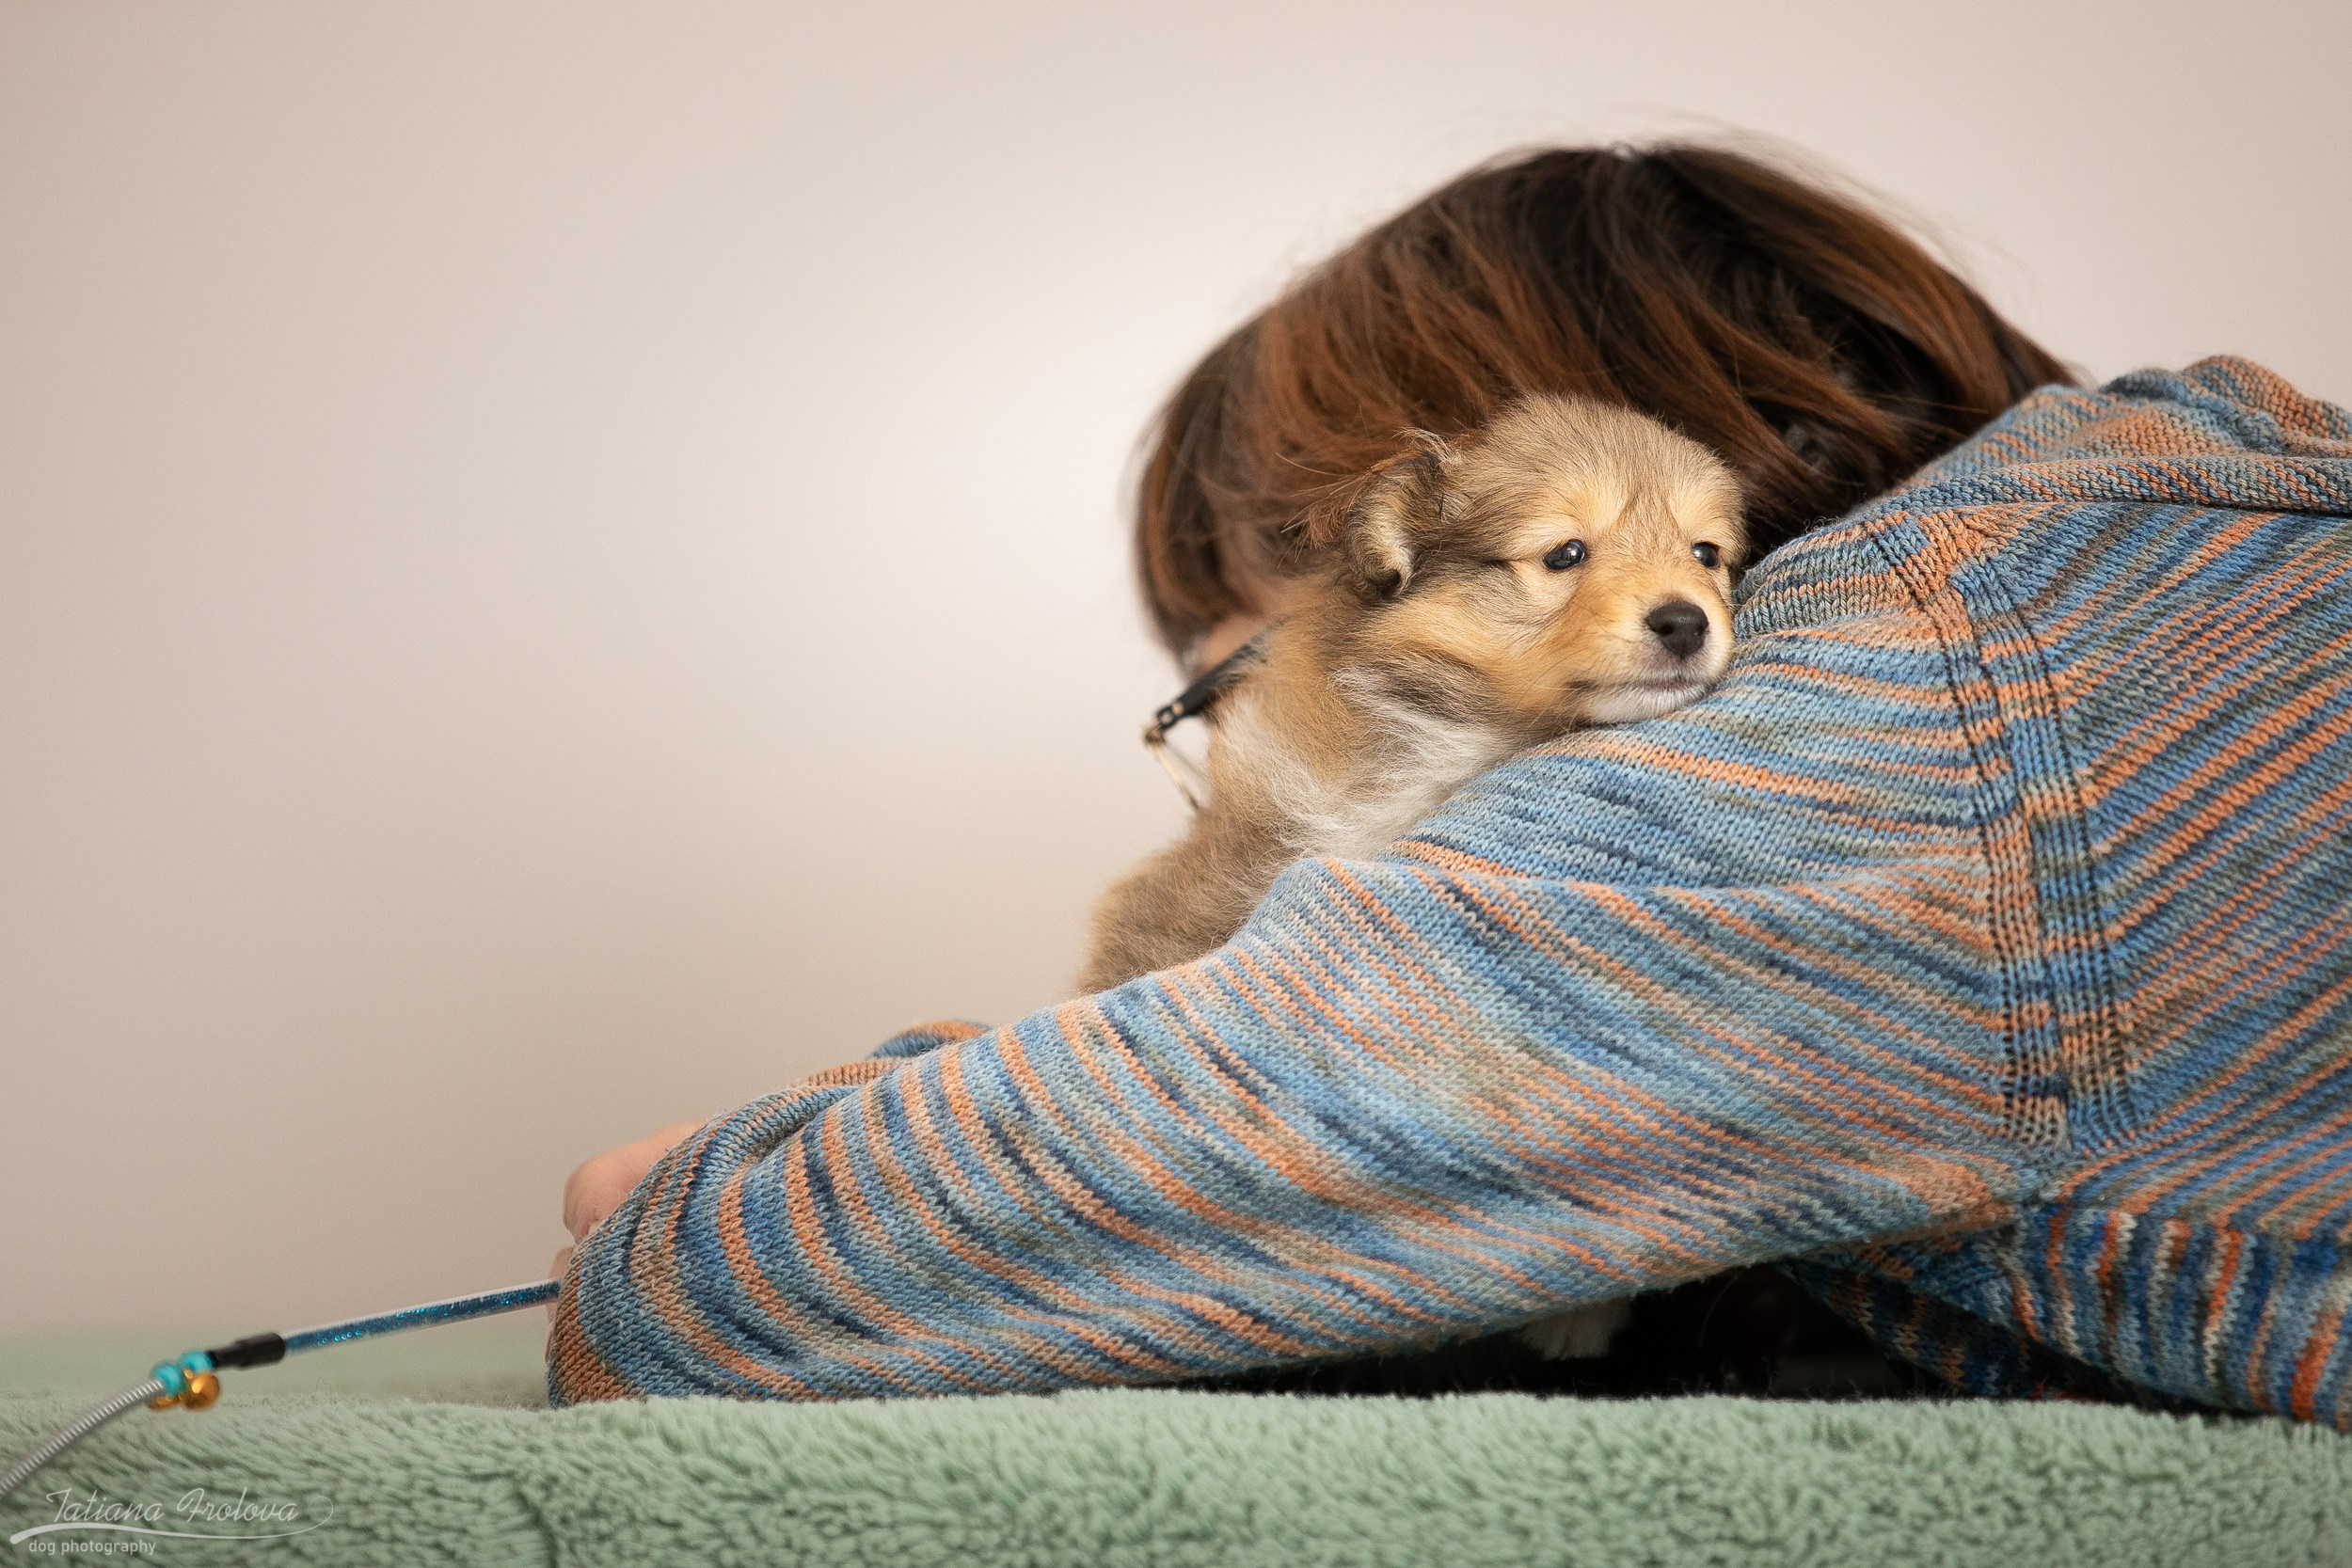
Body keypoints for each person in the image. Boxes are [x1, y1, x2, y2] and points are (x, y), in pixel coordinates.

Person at [547, 144, 2352, 1425]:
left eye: (1242, 680)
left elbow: (729, 1289)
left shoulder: (1845, 773)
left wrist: (776, 1165)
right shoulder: (2165, 554)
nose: (1229, 789)